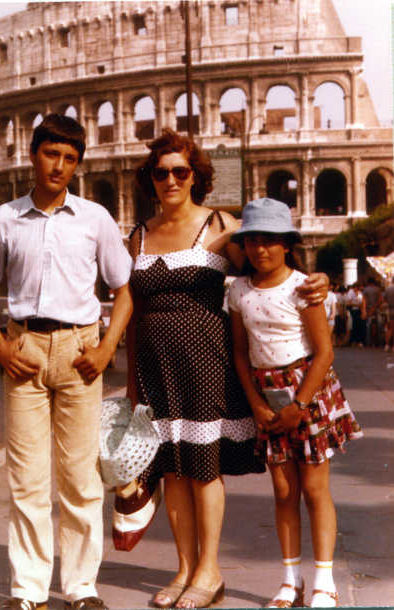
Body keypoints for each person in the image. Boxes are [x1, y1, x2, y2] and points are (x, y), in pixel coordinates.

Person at [126, 129, 329, 610]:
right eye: (161, 172)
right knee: (170, 468)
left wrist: (314, 280)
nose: (171, 180)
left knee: (202, 466)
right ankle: (183, 568)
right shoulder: (137, 235)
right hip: (156, 365)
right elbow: (132, 311)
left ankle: (209, 570)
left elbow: (267, 270)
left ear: (194, 176)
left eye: (180, 171)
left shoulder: (220, 225)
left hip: (205, 361)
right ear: (149, 178)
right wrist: (131, 380)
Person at [0, 114, 133, 610]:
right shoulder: (6, 219)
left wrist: (106, 348)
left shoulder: (95, 219)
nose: (59, 166)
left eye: (69, 158)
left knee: (81, 478)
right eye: (51, 154)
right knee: (27, 478)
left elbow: (124, 290)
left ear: (78, 165)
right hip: (26, 351)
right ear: (33, 156)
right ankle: (29, 590)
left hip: (80, 352)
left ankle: (81, 588)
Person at [229, 198, 362, 608]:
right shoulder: (238, 290)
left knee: (315, 489)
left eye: (270, 240)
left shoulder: (303, 287)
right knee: (283, 491)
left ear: (287, 244)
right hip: (266, 395)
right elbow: (240, 353)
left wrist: (299, 405)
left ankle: (324, 580)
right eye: (252, 240)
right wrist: (256, 404)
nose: (260, 249)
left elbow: (324, 351)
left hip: (308, 390)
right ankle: (291, 581)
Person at [362, 277, 383, 347]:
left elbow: (364, 301)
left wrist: (364, 311)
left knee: (368, 325)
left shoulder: (365, 290)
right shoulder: (378, 289)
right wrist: (375, 307)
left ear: (368, 282)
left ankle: (368, 342)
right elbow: (380, 300)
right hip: (377, 309)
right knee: (379, 324)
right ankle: (380, 342)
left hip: (368, 309)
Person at [345, 283, 366, 347]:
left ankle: (359, 341)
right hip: (353, 311)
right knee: (353, 326)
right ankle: (353, 341)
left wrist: (363, 310)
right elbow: (348, 303)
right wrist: (356, 305)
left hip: (359, 311)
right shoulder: (350, 292)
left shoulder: (360, 293)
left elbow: (363, 301)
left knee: (359, 326)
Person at [383, 276, 394, 351]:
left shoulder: (388, 289)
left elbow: (384, 299)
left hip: (389, 310)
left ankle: (387, 345)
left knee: (389, 328)